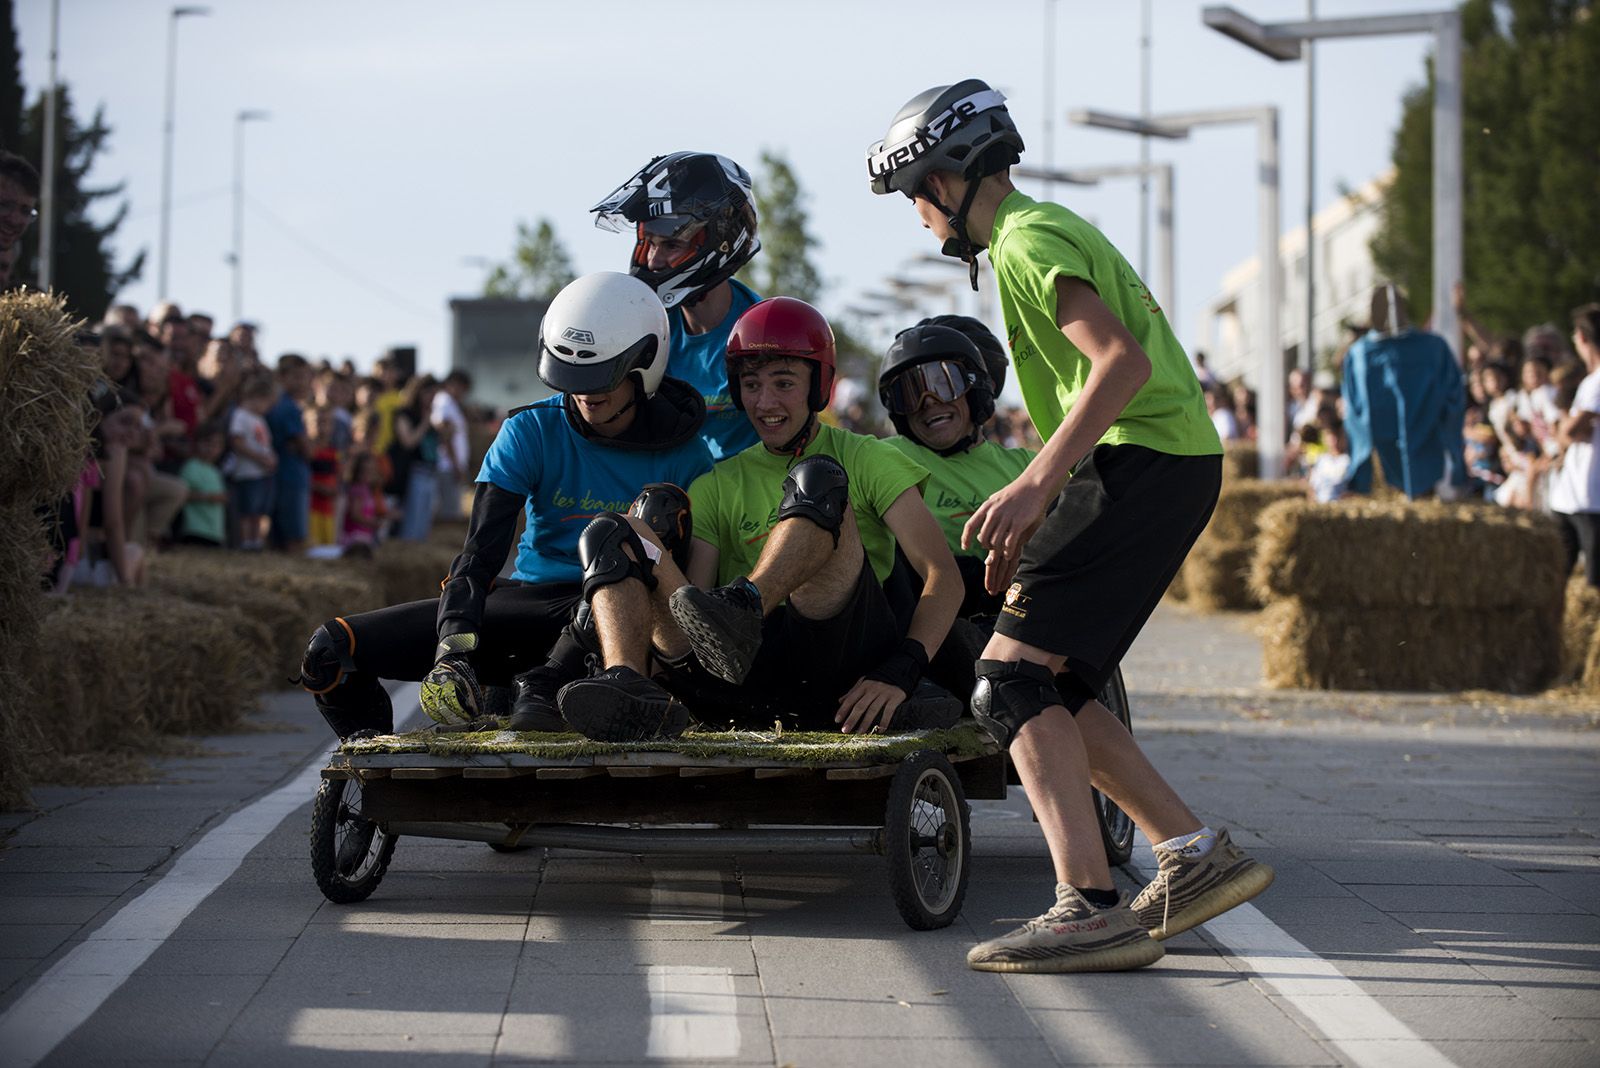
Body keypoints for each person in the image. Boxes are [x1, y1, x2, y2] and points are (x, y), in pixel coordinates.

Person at [868, 78, 1273, 973]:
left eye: (914, 198)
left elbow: (1119, 364)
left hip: (1143, 457)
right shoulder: (1042, 230)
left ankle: (1090, 906)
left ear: (946, 177)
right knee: (1053, 685)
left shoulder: (1025, 240)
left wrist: (1035, 488)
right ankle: (1193, 857)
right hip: (1162, 460)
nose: (920, 221)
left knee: (1006, 682)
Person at [298, 272, 714, 737]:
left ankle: (549, 683)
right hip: (531, 606)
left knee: (655, 512)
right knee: (330, 652)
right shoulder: (530, 430)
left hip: (620, 629)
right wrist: (451, 651)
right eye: (570, 376)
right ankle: (375, 792)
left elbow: (684, 583)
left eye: (600, 377)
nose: (583, 393)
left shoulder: (688, 455)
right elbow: (481, 553)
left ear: (646, 364)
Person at [556, 297, 964, 744]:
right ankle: (629, 686)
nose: (765, 402)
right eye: (751, 385)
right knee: (612, 529)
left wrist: (902, 670)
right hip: (753, 678)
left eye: (784, 383)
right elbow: (691, 609)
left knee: (818, 477)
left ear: (818, 385)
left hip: (845, 664)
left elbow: (944, 577)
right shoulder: (718, 483)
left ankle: (748, 603)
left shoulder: (869, 457)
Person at [592, 152, 763, 461]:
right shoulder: (642, 326)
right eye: (649, 242)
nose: (653, 260)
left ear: (721, 242)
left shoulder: (763, 330)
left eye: (671, 244)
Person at [1342, 283, 1468, 501]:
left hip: (1427, 443)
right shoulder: (1359, 354)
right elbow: (1353, 408)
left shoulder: (1432, 347)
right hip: (1382, 450)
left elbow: (1453, 396)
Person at [1550, 304, 1600, 586]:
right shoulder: (1590, 381)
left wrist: (1568, 427)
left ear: (1582, 337)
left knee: (1592, 585)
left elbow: (1570, 430)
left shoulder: (1596, 382)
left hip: (1591, 497)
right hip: (1575, 495)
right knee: (1560, 577)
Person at [266, 353, 314, 552]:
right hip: (291, 478)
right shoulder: (288, 408)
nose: (303, 382)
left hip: (282, 476)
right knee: (293, 539)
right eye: (297, 377)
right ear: (281, 377)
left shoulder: (278, 405)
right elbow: (306, 449)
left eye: (305, 376)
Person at [226, 375, 279, 550]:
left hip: (262, 473)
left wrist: (270, 458)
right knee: (247, 510)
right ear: (257, 397)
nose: (268, 408)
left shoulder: (260, 419)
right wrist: (260, 458)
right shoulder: (241, 416)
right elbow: (237, 441)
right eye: (267, 403)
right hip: (247, 472)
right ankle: (246, 542)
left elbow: (265, 444)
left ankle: (256, 541)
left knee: (258, 511)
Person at [177, 423, 229, 548]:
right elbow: (182, 494)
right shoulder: (191, 467)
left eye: (217, 444)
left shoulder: (215, 471)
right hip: (195, 530)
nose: (212, 448)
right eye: (208, 442)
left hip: (215, 532)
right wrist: (208, 497)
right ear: (196, 443)